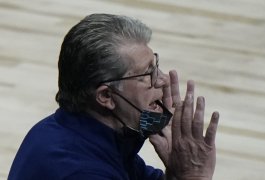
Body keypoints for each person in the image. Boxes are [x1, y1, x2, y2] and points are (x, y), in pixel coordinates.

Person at [8, 14, 220, 180]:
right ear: (106, 96)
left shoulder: (88, 136)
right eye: (148, 73)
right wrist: (195, 175)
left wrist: (177, 173)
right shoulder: (80, 171)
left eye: (157, 67)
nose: (163, 79)